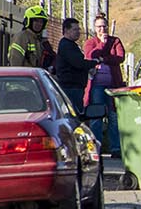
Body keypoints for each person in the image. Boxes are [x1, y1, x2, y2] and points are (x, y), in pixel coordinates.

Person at [83, 13, 126, 156]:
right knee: (96, 117)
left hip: (113, 85)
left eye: (104, 26)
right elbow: (90, 56)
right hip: (97, 86)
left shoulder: (115, 41)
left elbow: (119, 57)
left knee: (114, 116)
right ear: (95, 29)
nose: (102, 29)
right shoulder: (90, 42)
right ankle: (97, 147)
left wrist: (103, 58)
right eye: (99, 27)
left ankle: (115, 148)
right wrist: (102, 44)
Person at [54, 18, 97, 117]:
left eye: (79, 29)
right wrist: (94, 62)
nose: (78, 32)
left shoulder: (72, 45)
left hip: (76, 87)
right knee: (75, 116)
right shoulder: (66, 45)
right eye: (75, 30)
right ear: (66, 30)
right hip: (70, 88)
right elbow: (78, 63)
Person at [8, 5, 55, 69]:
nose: (39, 24)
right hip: (25, 76)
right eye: (36, 21)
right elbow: (15, 61)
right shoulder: (21, 37)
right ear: (28, 21)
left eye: (41, 22)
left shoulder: (40, 39)